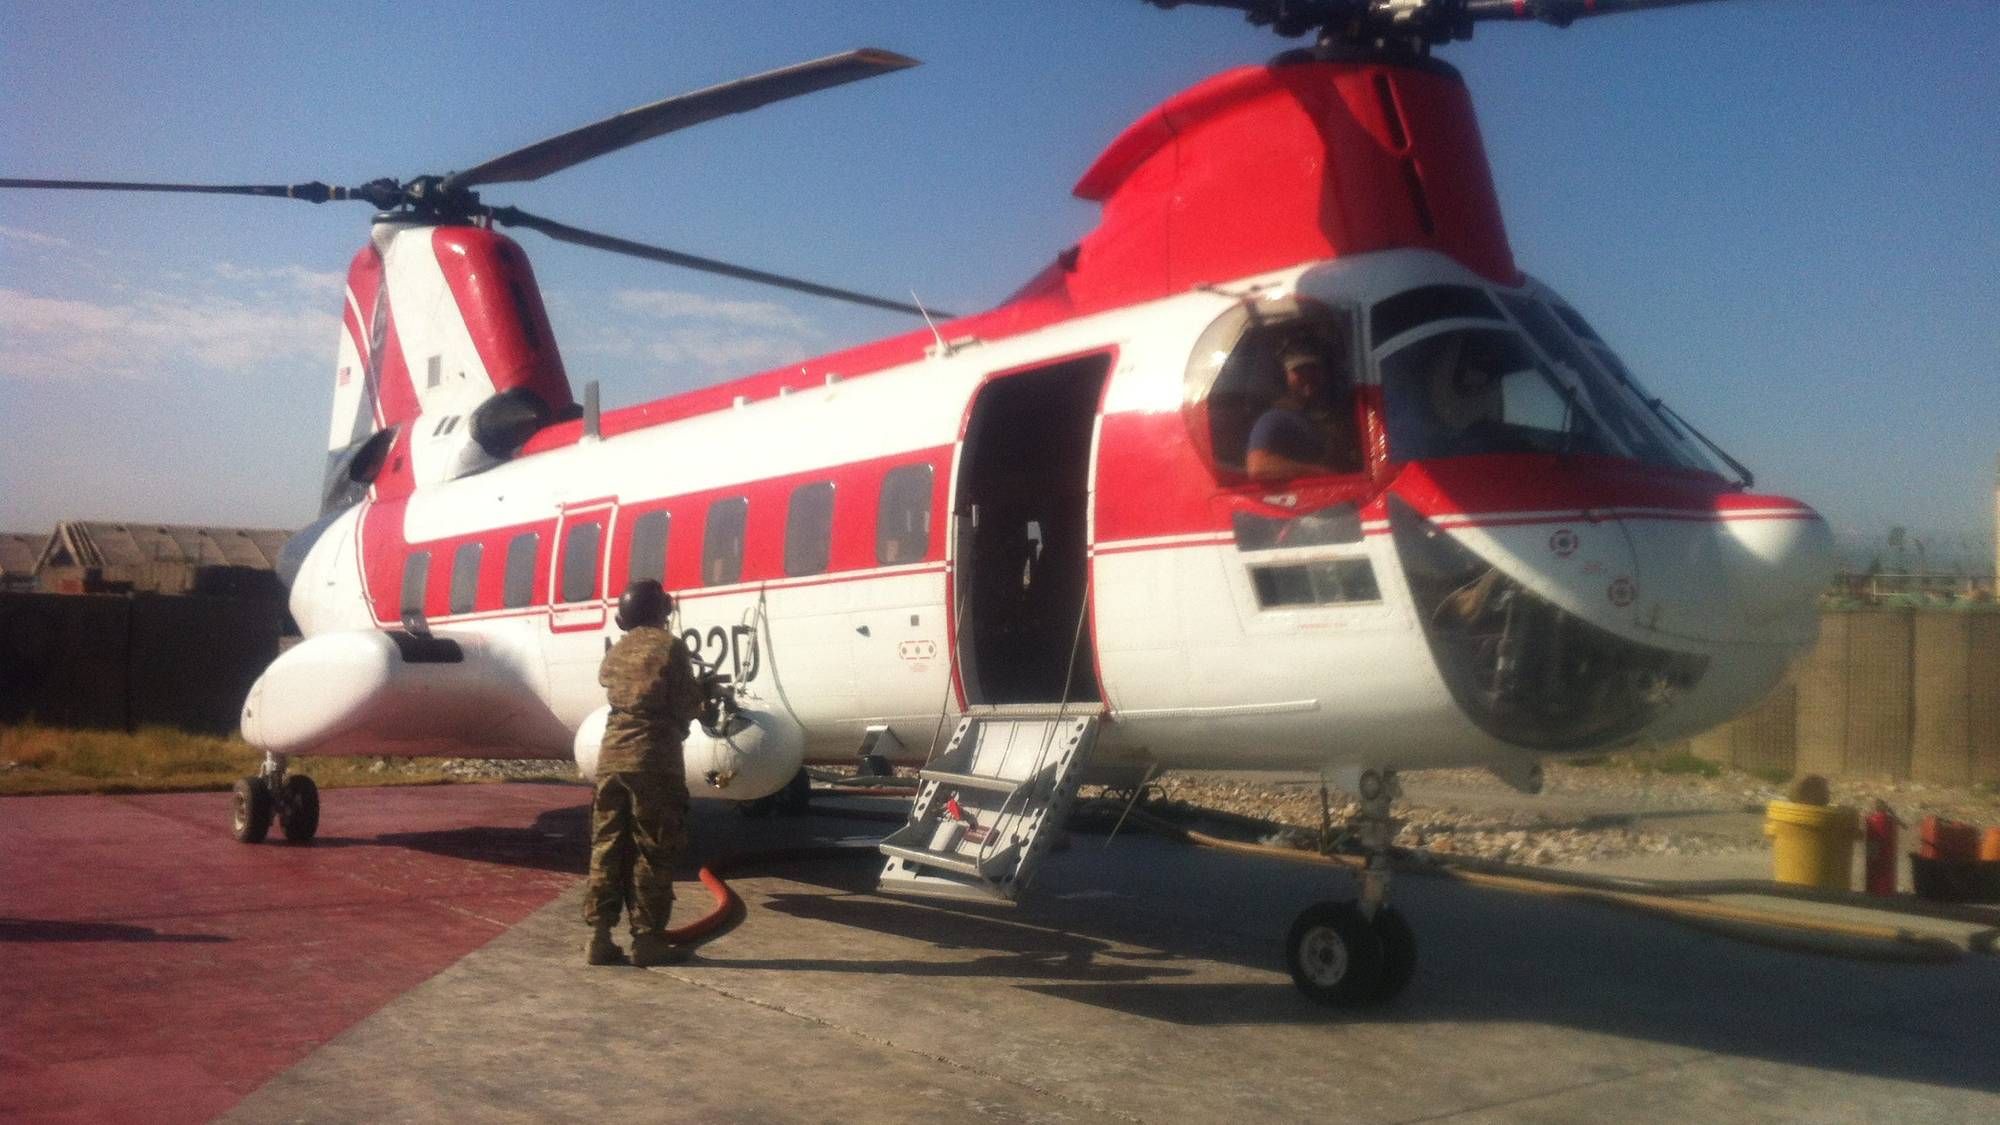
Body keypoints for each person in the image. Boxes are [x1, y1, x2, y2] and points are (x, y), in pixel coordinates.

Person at [585, 579, 707, 967]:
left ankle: (599, 937)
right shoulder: (670, 646)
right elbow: (685, 704)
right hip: (653, 760)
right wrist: (702, 696)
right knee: (652, 846)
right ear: (664, 611)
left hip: (611, 758)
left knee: (607, 844)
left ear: (623, 618)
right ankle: (647, 939)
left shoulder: (617, 650)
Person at [1245, 343, 1358, 480]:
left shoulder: (1331, 417)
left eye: (1313, 369)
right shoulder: (1274, 418)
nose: (1308, 376)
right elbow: (1259, 467)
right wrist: (1323, 473)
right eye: (1299, 371)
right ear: (1284, 377)